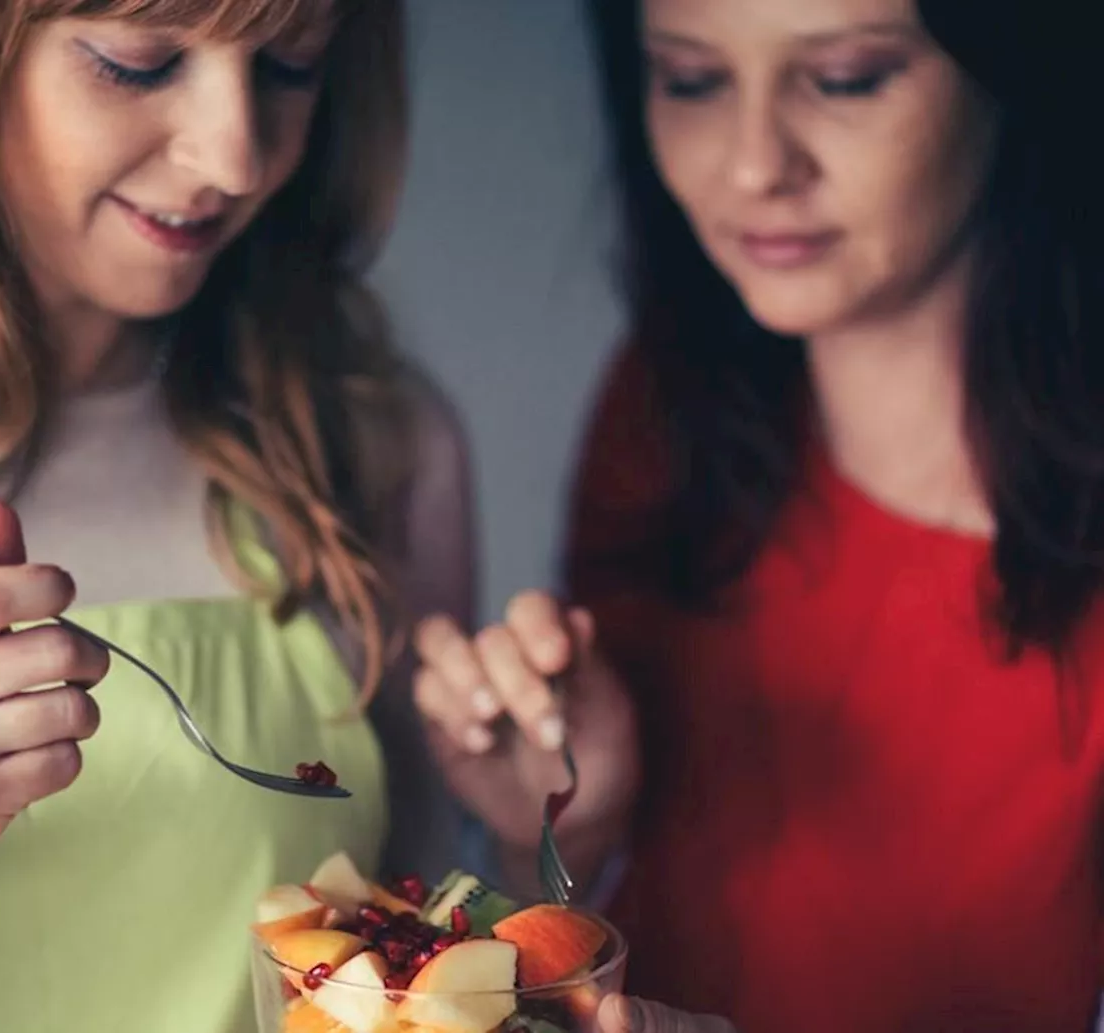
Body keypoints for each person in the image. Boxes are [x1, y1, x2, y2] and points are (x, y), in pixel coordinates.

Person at [413, 0, 1105, 1030]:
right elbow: (591, 950)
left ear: (1009, 67)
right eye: (690, 81)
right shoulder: (661, 406)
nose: (750, 166)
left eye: (844, 80)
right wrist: (560, 827)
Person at [0, 0, 474, 1030]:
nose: (234, 158)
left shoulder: (372, 448)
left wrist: (564, 816)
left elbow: (429, 969)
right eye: (138, 63)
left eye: (289, 69)